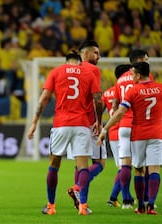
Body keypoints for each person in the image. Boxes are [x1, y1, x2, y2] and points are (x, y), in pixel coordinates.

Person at [27, 52, 103, 215]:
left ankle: (51, 206)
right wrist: (99, 121)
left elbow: (44, 98)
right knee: (83, 165)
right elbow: (98, 99)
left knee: (54, 165)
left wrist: (34, 122)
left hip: (61, 123)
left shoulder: (56, 71)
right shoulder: (88, 73)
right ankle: (83, 206)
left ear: (66, 62)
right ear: (79, 62)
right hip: (82, 124)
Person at [97, 62, 162, 215]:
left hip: (138, 134)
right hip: (157, 134)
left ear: (139, 75)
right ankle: (151, 206)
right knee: (154, 170)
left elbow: (120, 112)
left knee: (139, 170)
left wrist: (105, 129)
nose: (131, 76)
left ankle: (140, 206)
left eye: (133, 74)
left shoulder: (133, 91)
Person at [67, 40, 106, 210]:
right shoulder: (93, 70)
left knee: (80, 164)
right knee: (100, 163)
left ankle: (83, 204)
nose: (99, 56)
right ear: (85, 53)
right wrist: (99, 121)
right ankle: (77, 188)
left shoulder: (68, 70)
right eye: (95, 53)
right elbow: (97, 99)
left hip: (70, 122)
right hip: (90, 122)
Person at [111, 49, 150, 209]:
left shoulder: (120, 79)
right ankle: (146, 199)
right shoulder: (143, 75)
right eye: (146, 59)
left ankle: (126, 200)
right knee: (144, 165)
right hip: (139, 125)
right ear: (139, 60)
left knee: (125, 164)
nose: (147, 61)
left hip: (122, 126)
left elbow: (114, 104)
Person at [104, 64, 132, 207]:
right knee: (127, 167)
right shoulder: (128, 88)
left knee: (122, 167)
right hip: (125, 127)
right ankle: (116, 196)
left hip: (112, 132)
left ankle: (121, 197)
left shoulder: (108, 92)